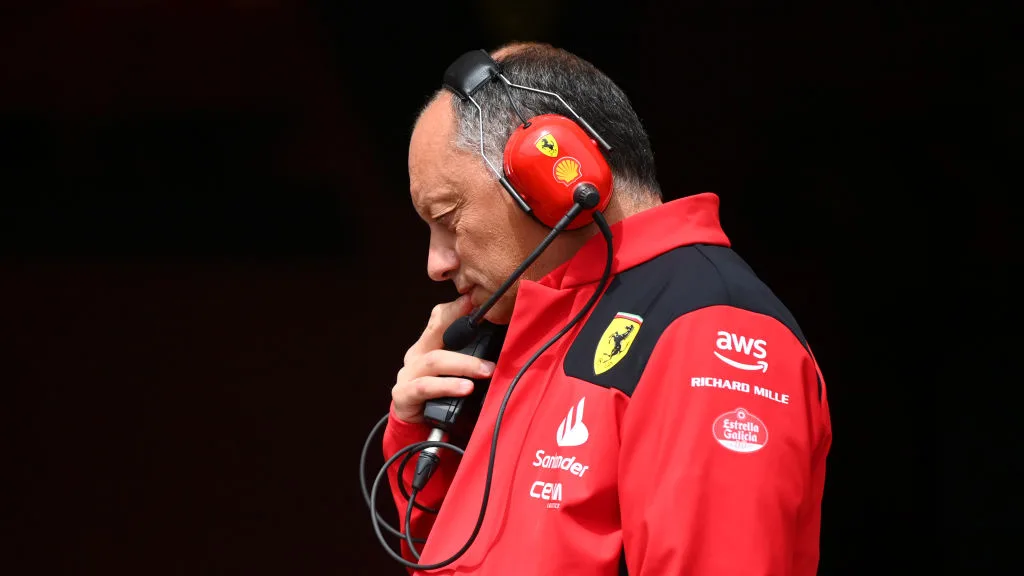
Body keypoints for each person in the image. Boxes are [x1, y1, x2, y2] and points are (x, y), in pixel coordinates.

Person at [383, 42, 832, 575]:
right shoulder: (549, 324)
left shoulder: (707, 331)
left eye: (447, 216)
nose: (437, 264)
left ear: (547, 174)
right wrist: (424, 436)